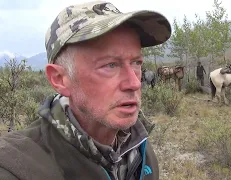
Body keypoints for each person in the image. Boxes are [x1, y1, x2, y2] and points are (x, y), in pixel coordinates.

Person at [0, 1, 171, 180]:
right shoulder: (17, 166)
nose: (134, 83)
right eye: (110, 65)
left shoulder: (138, 144)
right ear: (60, 79)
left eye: (136, 63)